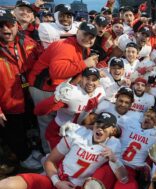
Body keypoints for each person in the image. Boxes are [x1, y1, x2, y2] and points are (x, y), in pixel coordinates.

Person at [0, 112, 124, 189]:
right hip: (54, 180)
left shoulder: (114, 145)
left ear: (113, 130)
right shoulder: (78, 134)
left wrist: (115, 160)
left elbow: (123, 179)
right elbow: (50, 161)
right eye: (98, 124)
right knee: (4, 186)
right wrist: (57, 182)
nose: (100, 128)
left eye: (106, 126)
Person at [28, 22, 99, 154]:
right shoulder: (65, 46)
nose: (88, 39)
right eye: (85, 34)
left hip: (58, 87)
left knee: (57, 122)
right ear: (77, 32)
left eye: (91, 37)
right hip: (44, 88)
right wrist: (84, 63)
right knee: (47, 122)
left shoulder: (82, 46)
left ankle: (57, 150)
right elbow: (57, 72)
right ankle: (48, 153)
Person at [0, 9, 41, 172]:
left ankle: (31, 152)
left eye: (9, 24)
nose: (5, 29)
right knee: (14, 133)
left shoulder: (28, 43)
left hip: (29, 96)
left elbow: (43, 62)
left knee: (29, 127)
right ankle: (23, 158)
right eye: (0, 26)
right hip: (8, 104)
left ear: (16, 25)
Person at [34, 68, 105, 150]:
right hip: (59, 132)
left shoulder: (100, 92)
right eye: (87, 78)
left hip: (77, 131)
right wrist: (55, 98)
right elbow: (38, 111)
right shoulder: (71, 93)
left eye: (94, 80)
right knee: (57, 160)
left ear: (98, 81)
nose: (90, 82)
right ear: (81, 78)